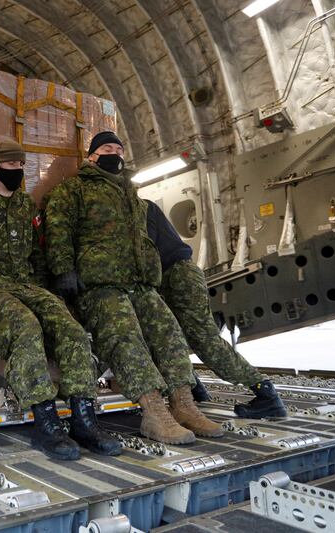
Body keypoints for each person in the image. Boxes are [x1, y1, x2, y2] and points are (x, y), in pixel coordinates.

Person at [0, 141, 121, 460]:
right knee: (25, 329)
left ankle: (84, 418)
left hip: (26, 284)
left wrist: (41, 291)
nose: (17, 172)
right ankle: (46, 422)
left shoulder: (25, 205)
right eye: (11, 166)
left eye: (22, 166)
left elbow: (36, 253)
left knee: (72, 331)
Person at [45, 131, 223, 444]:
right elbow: (57, 227)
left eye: (118, 147)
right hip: (100, 286)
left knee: (169, 331)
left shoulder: (132, 195)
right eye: (106, 148)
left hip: (139, 283)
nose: (113, 152)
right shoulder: (74, 190)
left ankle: (183, 404)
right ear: (91, 157)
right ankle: (154, 412)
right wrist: (64, 270)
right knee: (124, 335)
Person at [146, 200, 287, 418]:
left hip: (176, 275)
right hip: (176, 275)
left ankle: (265, 392)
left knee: (204, 340)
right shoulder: (141, 206)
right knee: (168, 337)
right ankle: (195, 388)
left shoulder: (139, 208)